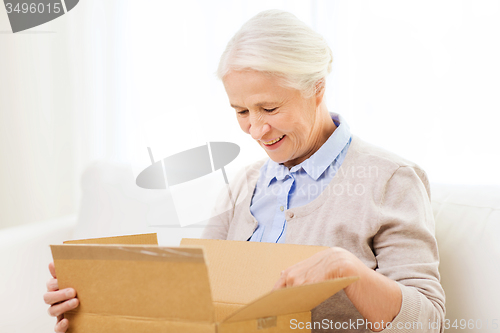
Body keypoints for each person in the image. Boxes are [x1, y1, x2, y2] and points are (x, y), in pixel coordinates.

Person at [44, 9, 445, 333]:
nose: (255, 128)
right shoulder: (244, 184)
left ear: (317, 89)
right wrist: (94, 308)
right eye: (241, 111)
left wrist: (347, 268)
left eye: (269, 108)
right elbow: (197, 306)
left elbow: (428, 322)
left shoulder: (391, 180)